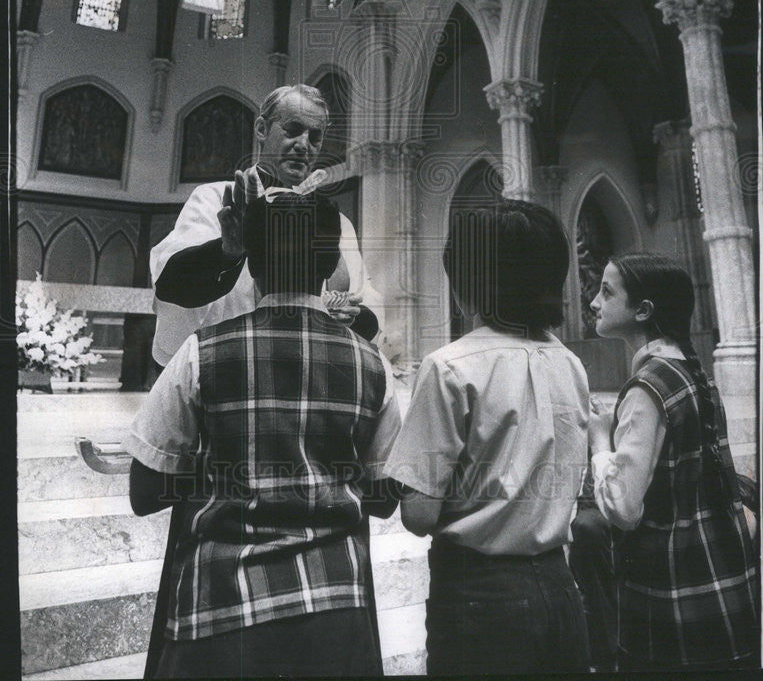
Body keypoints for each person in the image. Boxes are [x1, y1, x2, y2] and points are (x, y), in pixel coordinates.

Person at [124, 191, 401, 678]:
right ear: (332, 262)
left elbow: (145, 492)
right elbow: (383, 499)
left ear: (250, 262)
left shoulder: (199, 353)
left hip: (221, 609)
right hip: (335, 607)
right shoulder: (371, 363)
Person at [384, 200, 590, 675]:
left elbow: (419, 514)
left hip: (480, 597)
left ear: (466, 282)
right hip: (560, 586)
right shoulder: (569, 363)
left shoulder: (450, 366)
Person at [588, 252, 758, 671]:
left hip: (675, 594)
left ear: (643, 311)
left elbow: (624, 509)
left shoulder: (647, 387)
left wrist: (598, 442)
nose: (594, 301)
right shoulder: (689, 371)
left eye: (607, 292)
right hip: (723, 578)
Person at [150, 84, 382, 366]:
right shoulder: (215, 201)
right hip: (226, 367)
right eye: (293, 129)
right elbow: (171, 287)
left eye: (315, 137)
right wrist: (228, 251)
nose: (303, 145)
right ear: (261, 129)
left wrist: (349, 314)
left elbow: (367, 309)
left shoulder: (337, 224)